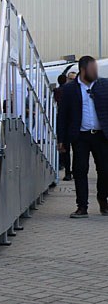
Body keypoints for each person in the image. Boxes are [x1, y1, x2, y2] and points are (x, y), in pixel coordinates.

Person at [57, 56, 108, 217]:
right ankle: (82, 206)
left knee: (105, 170)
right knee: (80, 171)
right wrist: (61, 140)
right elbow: (63, 116)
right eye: (93, 69)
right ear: (83, 70)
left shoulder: (104, 85)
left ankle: (103, 199)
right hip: (80, 136)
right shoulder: (69, 89)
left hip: (101, 136)